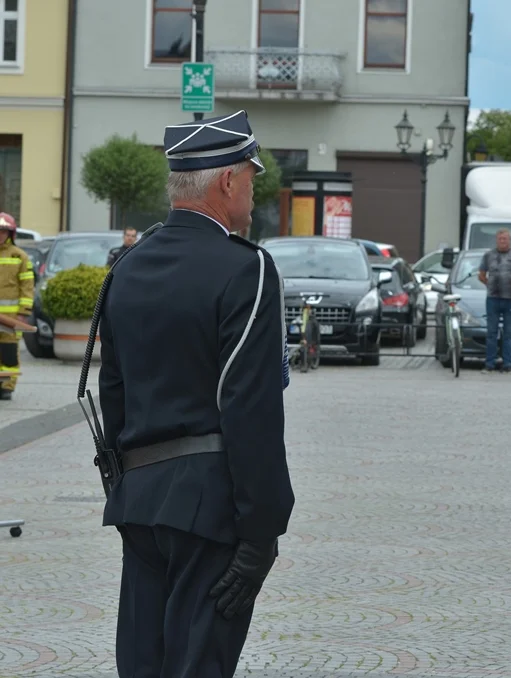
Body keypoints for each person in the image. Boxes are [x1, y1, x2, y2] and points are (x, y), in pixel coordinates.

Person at [96, 109, 295, 677]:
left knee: (142, 666)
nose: (253, 196)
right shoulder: (246, 270)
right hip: (211, 509)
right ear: (228, 180)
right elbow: (250, 407)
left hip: (139, 502)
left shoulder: (126, 268)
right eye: (251, 180)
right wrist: (262, 530)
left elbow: (115, 390)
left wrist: (127, 487)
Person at [478, 228, 511, 374]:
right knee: (491, 333)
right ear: (496, 240)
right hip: (492, 299)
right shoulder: (488, 255)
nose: (502, 241)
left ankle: (508, 364)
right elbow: (481, 275)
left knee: (509, 333)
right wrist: (490, 284)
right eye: (500, 239)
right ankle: (489, 364)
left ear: (509, 240)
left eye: (505, 239)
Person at [0, 212, 34, 401]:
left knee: (9, 354)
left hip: (11, 318)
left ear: (10, 233)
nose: (0, 235)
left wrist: (23, 313)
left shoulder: (19, 256)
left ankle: (7, 386)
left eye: (3, 231)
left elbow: (27, 286)